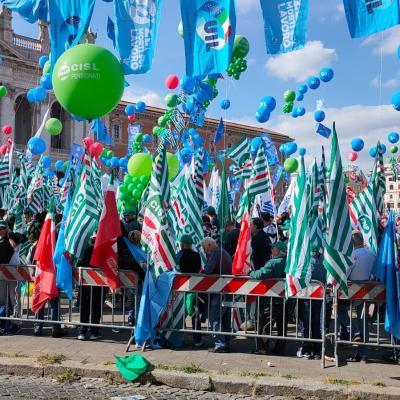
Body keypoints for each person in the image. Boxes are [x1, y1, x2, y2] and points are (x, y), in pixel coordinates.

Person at [338, 231, 376, 362]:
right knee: (363, 321)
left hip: (354, 291)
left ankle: (354, 331)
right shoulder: (371, 254)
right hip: (370, 290)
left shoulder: (353, 255)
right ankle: (363, 353)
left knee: (338, 308)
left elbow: (346, 274)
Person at [250, 241, 287, 355]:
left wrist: (251, 272)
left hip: (271, 300)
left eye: (273, 248)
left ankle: (263, 348)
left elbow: (260, 275)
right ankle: (280, 349)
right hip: (284, 300)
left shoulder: (272, 263)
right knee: (282, 326)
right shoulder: (288, 262)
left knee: (265, 325)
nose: (271, 250)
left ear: (277, 251)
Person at [201, 237, 232, 353]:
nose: (204, 252)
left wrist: (202, 273)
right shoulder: (224, 252)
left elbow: (208, 271)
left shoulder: (214, 253)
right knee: (225, 318)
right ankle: (226, 342)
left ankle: (220, 343)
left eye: (204, 249)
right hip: (227, 289)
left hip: (219, 289)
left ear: (209, 245)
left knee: (214, 316)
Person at [297, 245, 326, 360]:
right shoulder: (321, 264)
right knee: (315, 324)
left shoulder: (306, 264)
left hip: (306, 298)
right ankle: (317, 349)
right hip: (318, 298)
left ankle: (306, 349)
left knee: (305, 323)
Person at [77, 233, 106, 341]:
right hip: (97, 284)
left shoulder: (84, 246)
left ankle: (82, 331)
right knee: (95, 307)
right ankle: (93, 331)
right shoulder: (100, 248)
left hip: (85, 283)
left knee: (85, 306)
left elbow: (79, 262)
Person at [176, 235, 203, 346]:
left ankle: (179, 337)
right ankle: (197, 339)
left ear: (182, 244)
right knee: (195, 313)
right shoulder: (197, 255)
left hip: (180, 289)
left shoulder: (178, 256)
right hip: (194, 288)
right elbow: (198, 269)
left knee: (179, 312)